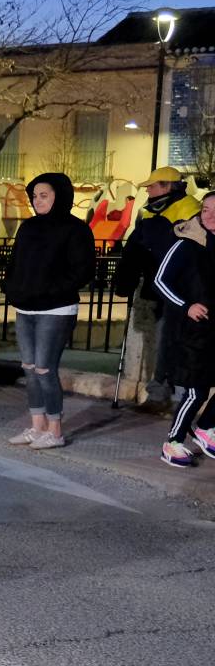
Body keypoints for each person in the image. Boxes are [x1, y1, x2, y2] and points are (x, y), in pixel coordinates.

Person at [1, 172, 95, 451]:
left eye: (44, 195)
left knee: (44, 369)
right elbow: (14, 263)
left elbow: (83, 271)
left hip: (56, 310)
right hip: (25, 308)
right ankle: (37, 426)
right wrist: (11, 288)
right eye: (34, 196)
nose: (37, 201)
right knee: (29, 368)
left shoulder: (76, 229)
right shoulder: (28, 227)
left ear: (59, 196)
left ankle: (55, 431)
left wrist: (50, 290)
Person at [118, 167, 201, 411]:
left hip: (181, 291)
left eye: (152, 186)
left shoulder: (189, 209)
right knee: (164, 342)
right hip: (158, 287)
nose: (147, 190)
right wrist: (126, 277)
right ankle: (163, 393)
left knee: (171, 342)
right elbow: (135, 248)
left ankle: (169, 396)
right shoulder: (150, 211)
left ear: (167, 186)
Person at [155, 192, 215, 466]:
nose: (210, 215)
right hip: (192, 331)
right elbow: (161, 280)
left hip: (214, 331)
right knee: (196, 391)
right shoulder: (186, 243)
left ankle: (205, 428)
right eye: (206, 209)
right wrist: (186, 305)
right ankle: (173, 443)